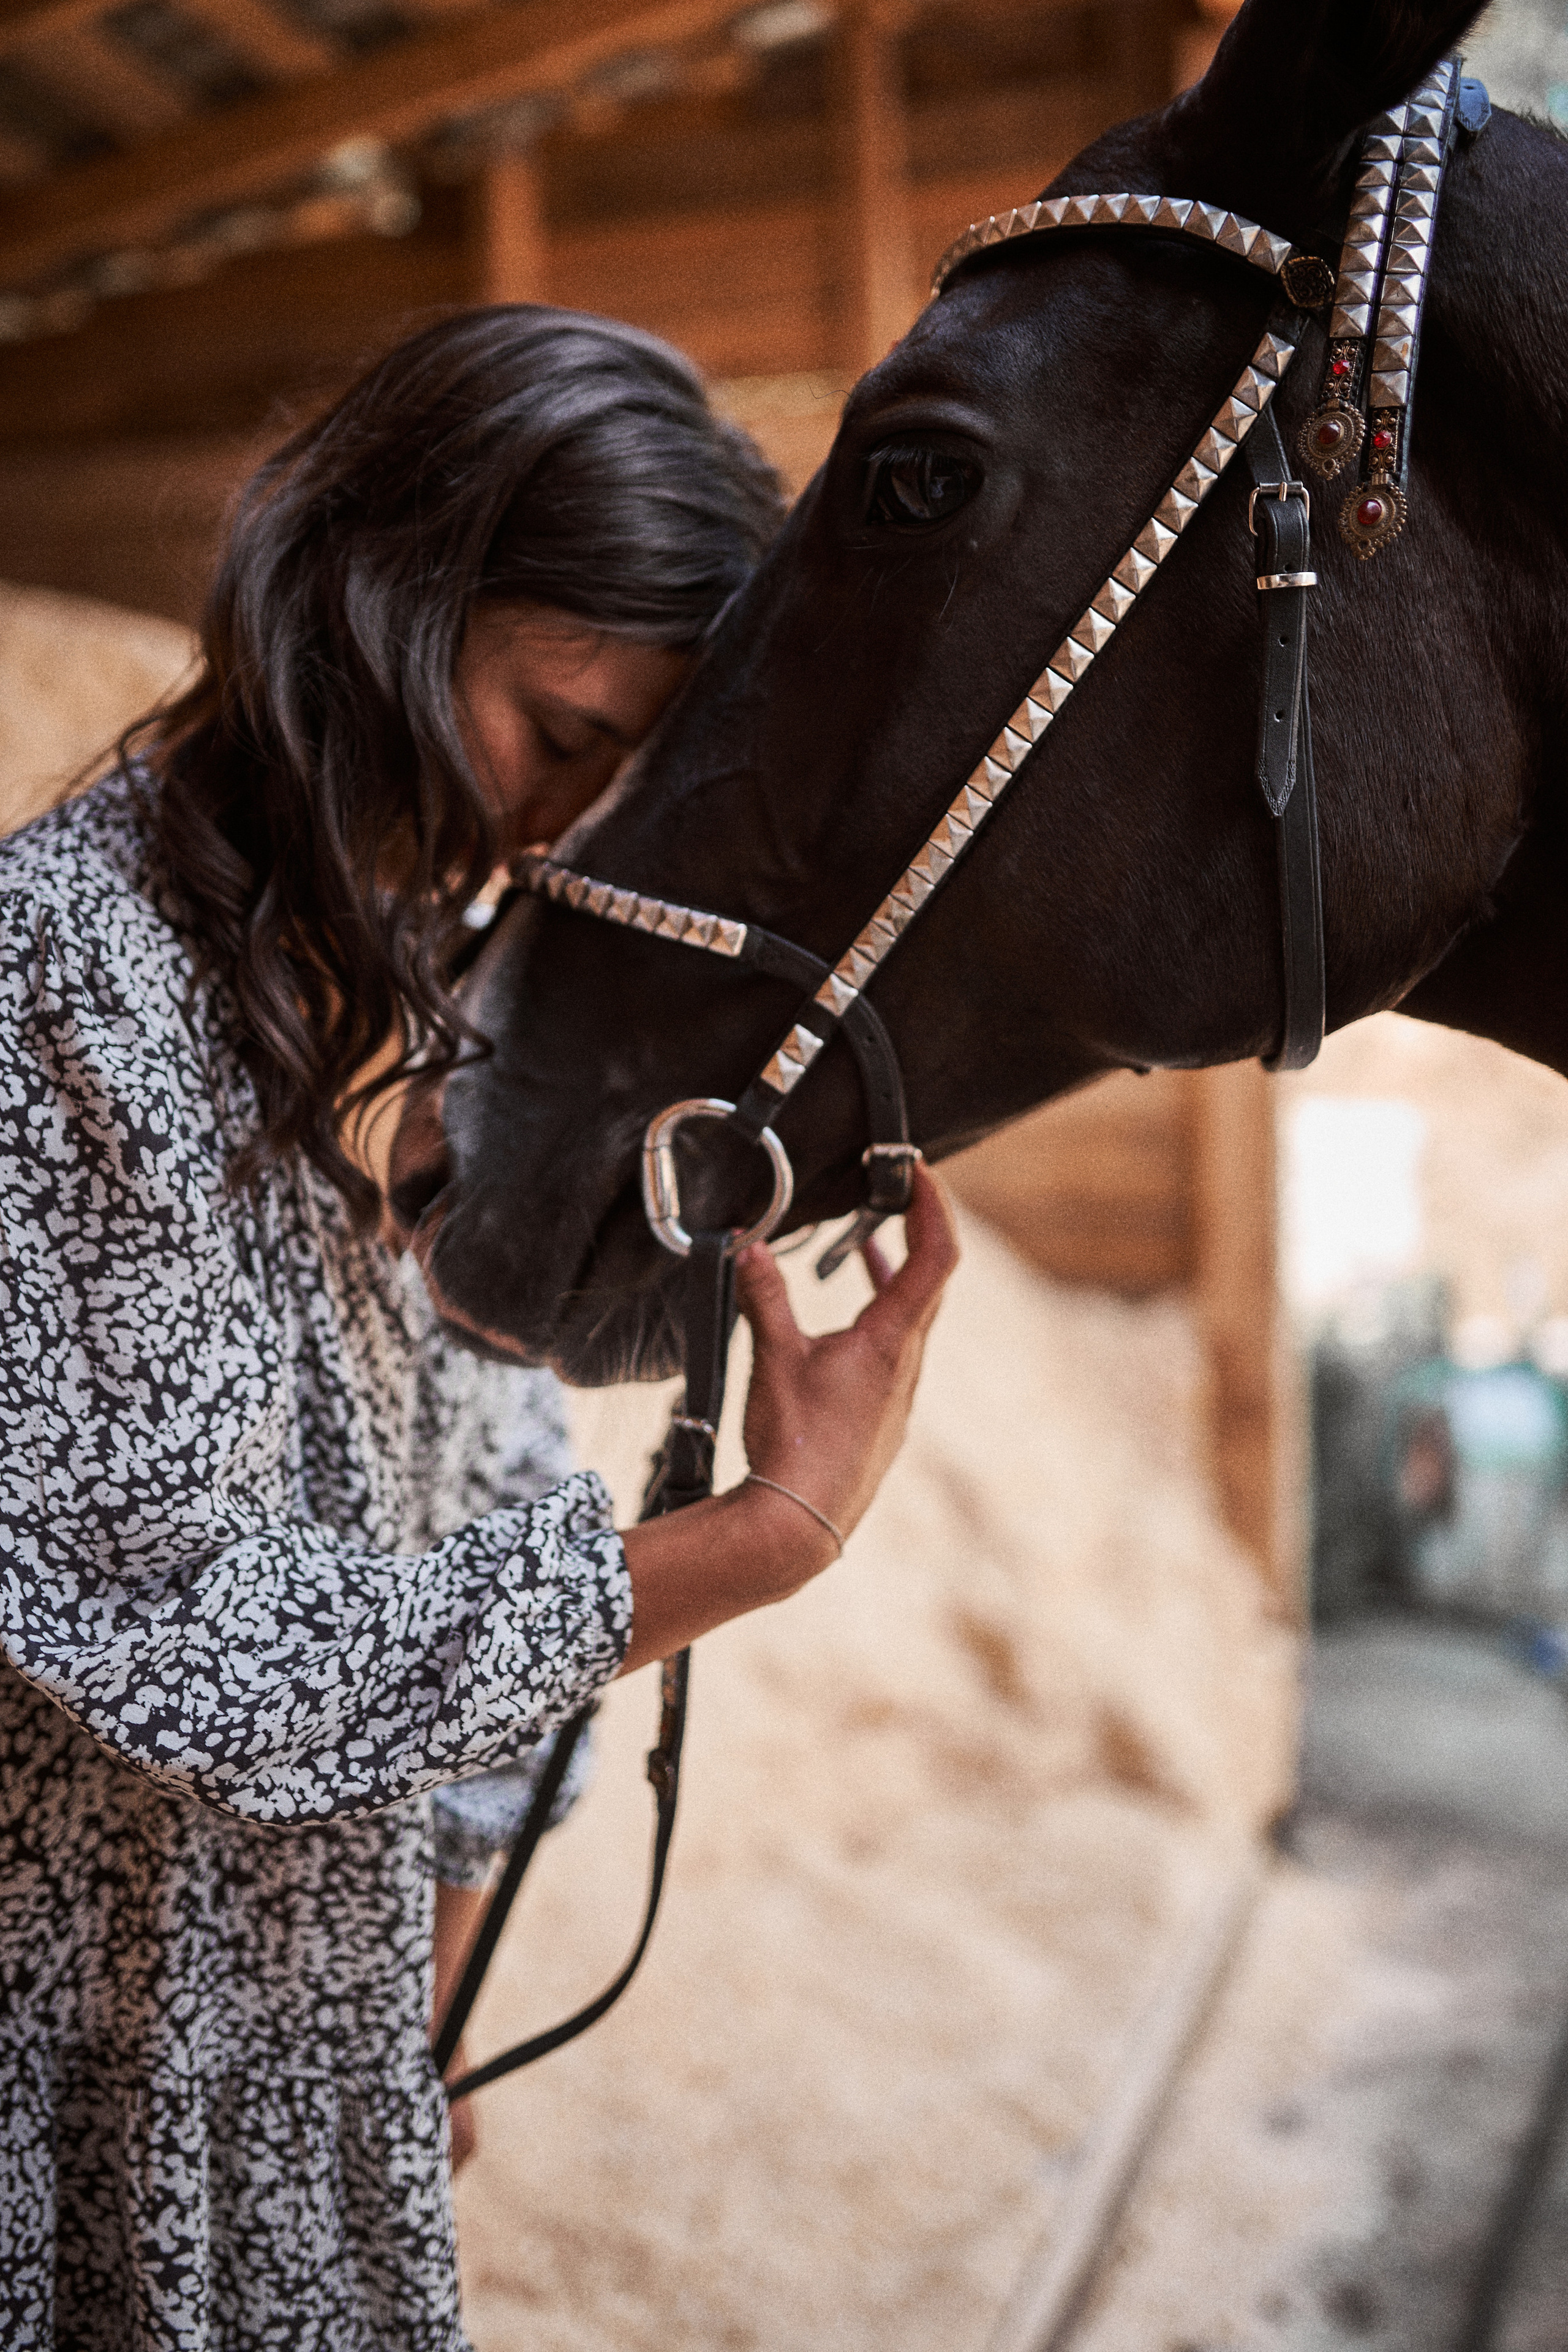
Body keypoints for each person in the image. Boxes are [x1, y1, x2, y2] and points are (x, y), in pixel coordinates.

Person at [0, 304, 958, 2352]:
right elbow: (207, 1655)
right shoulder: (61, 991)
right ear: (377, 595)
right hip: (84, 2094)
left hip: (302, 2088)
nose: (551, 834)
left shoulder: (406, 988)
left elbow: (482, 1506)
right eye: (557, 738)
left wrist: (412, 2020)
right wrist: (760, 1539)